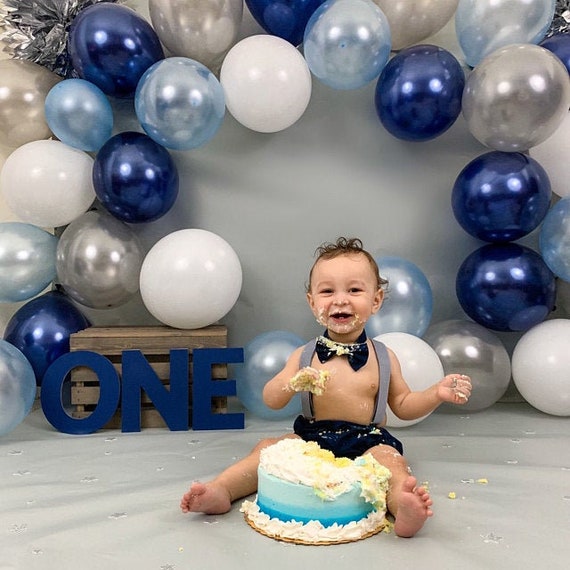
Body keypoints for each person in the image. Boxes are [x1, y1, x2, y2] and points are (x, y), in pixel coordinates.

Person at [180, 237, 472, 538]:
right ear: (312, 302)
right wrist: (291, 383)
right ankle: (222, 490)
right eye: (328, 291)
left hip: (366, 439)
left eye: (355, 290)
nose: (341, 299)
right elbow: (271, 399)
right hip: (311, 437)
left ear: (376, 300)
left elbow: (404, 403)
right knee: (266, 449)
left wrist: (435, 393)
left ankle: (403, 504)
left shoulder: (383, 357)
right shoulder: (304, 355)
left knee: (391, 461)